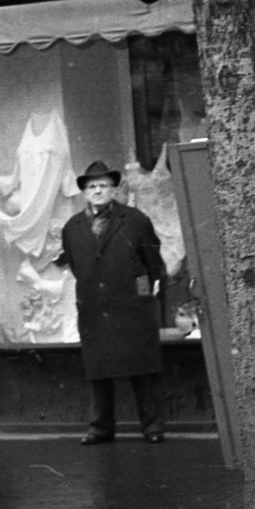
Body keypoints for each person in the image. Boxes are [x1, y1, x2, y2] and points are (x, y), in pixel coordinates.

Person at [56, 160, 167, 445]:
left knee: (141, 369)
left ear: (114, 189)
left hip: (131, 307)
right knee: (99, 372)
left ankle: (152, 427)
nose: (98, 190)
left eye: (104, 185)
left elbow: (153, 261)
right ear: (84, 191)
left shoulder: (135, 219)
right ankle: (101, 428)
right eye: (92, 186)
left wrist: (143, 292)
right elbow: (76, 265)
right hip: (95, 310)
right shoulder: (72, 227)